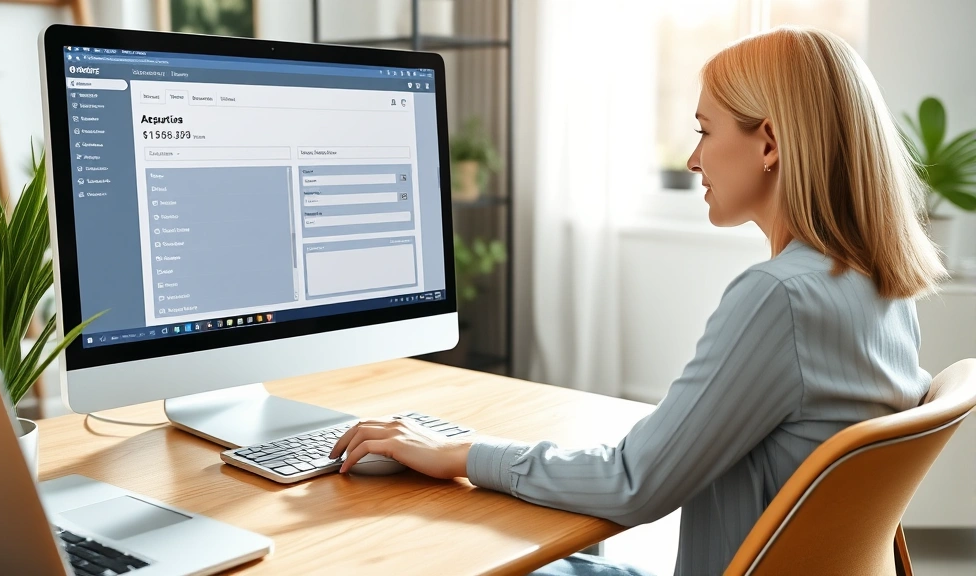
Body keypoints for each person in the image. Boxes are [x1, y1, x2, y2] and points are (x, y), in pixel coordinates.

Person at [330, 26, 946, 576]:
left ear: (770, 144)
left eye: (706, 132)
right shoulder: (881, 286)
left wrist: (458, 452)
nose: (693, 158)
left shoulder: (780, 297)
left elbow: (634, 484)